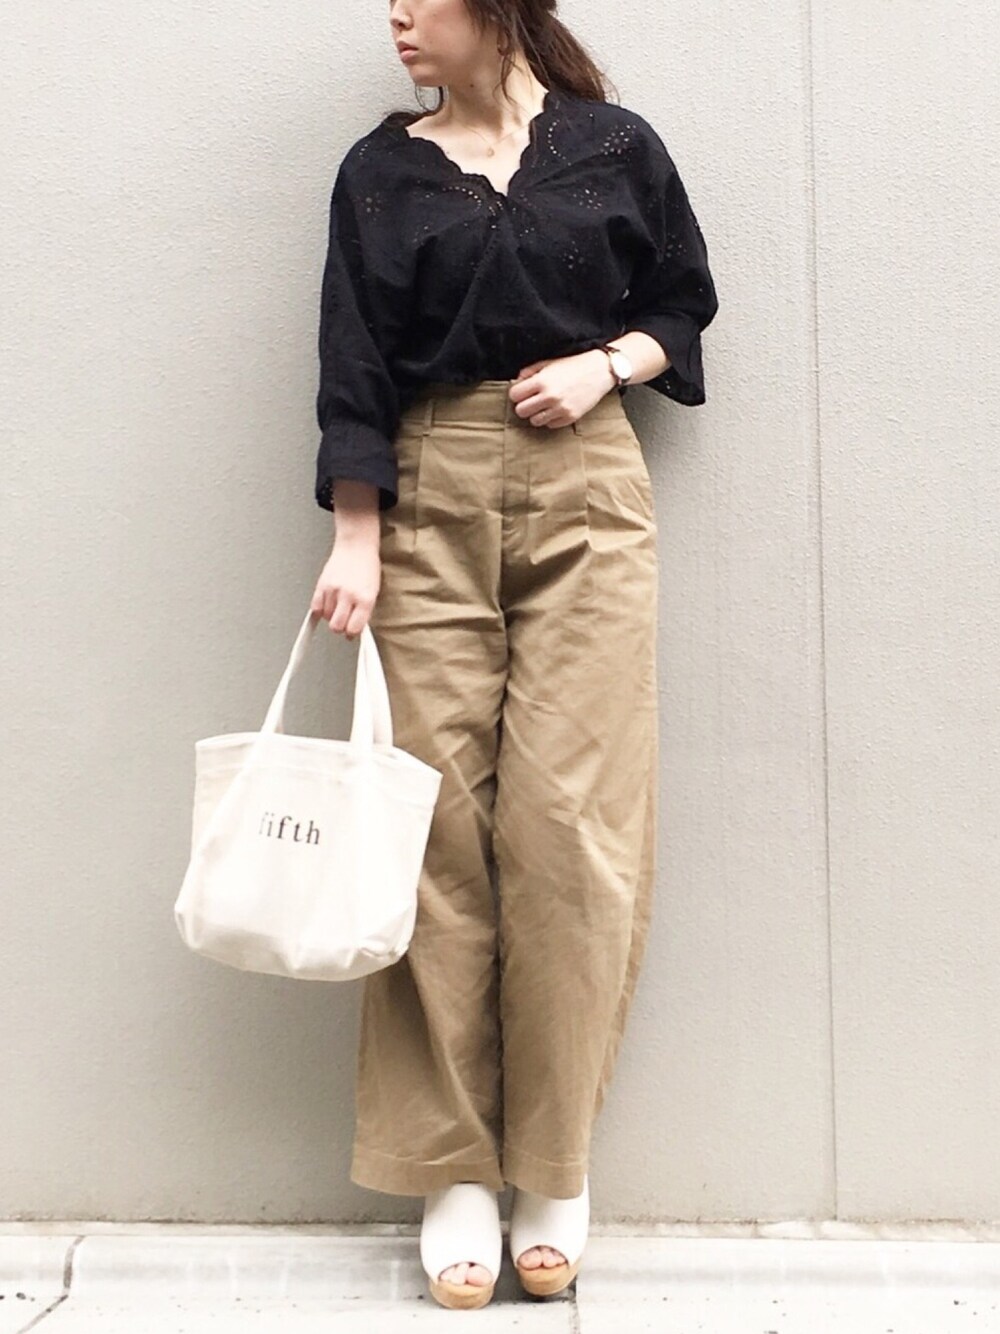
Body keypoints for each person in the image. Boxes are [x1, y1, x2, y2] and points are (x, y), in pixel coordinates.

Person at [309, 0, 718, 1311]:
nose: (395, 17)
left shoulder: (613, 146)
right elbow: (354, 359)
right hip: (426, 492)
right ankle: (452, 1169)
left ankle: (551, 1161)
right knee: (431, 835)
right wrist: (357, 534)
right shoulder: (381, 171)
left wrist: (607, 366)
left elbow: (684, 302)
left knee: (571, 832)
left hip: (587, 487)